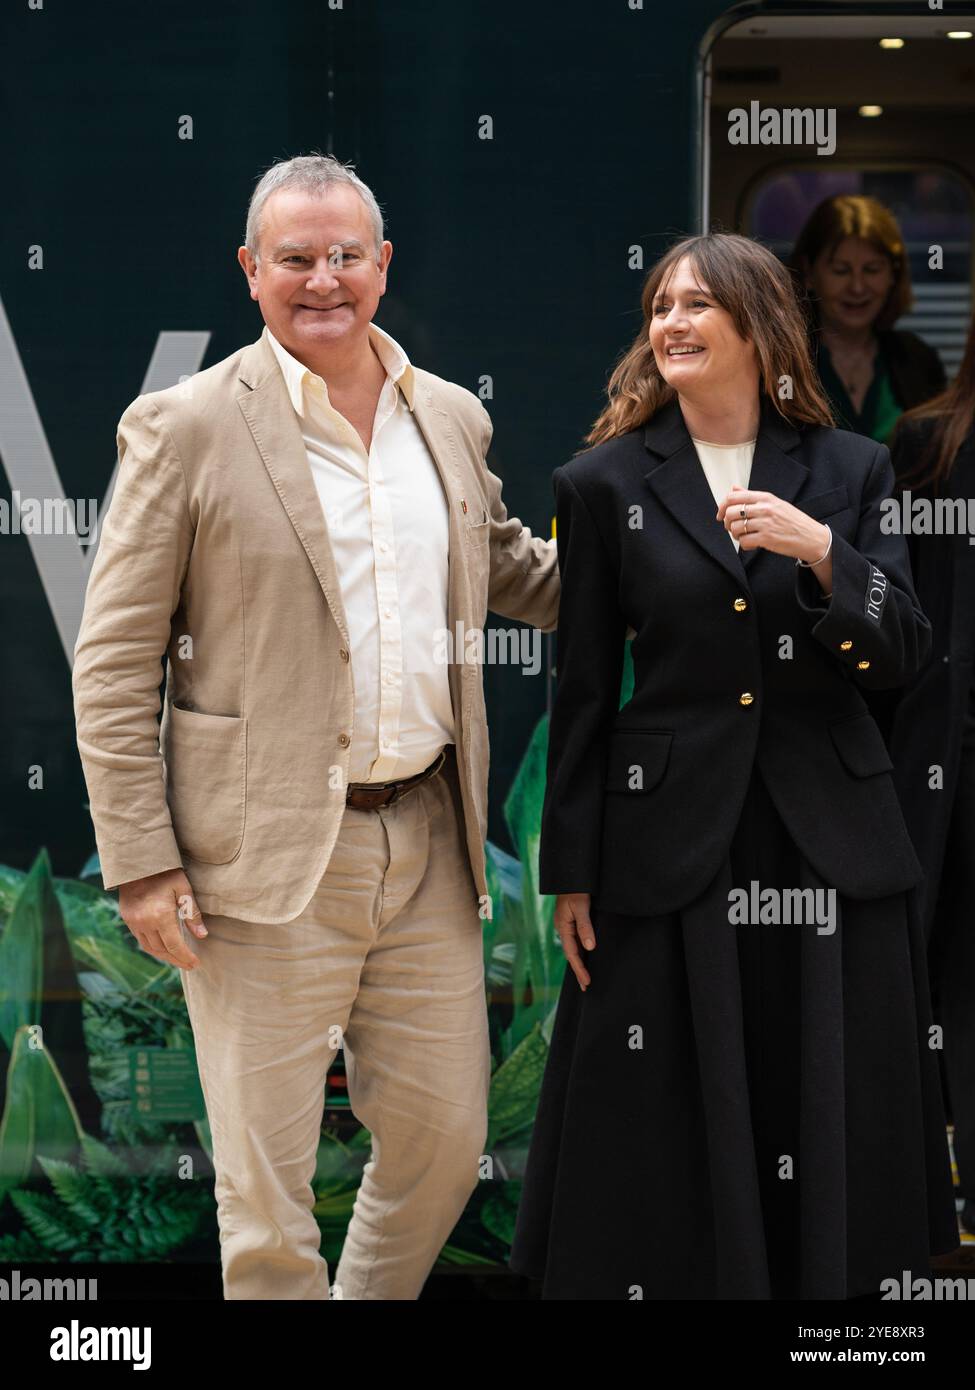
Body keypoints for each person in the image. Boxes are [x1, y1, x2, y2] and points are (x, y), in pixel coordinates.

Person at [72, 153, 560, 1300]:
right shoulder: (183, 425)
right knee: (267, 1190)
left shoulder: (449, 417)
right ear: (252, 272)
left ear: (383, 266)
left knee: (445, 1145)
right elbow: (111, 659)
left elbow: (518, 575)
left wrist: (680, 551)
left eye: (346, 255)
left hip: (428, 848)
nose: (323, 280)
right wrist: (142, 864)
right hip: (262, 856)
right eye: (296, 259)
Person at [507, 231, 958, 1300]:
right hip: (670, 842)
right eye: (660, 304)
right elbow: (578, 693)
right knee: (671, 1101)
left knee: (821, 1095)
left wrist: (821, 553)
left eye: (699, 303)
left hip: (826, 841)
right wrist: (572, 867)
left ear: (759, 327)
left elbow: (904, 655)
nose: (671, 322)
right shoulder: (602, 479)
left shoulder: (852, 468)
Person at [871, 307, 975, 1241]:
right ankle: (924, 1228)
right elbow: (895, 624)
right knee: (941, 997)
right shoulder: (925, 444)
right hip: (943, 774)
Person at [790, 195, 946, 444]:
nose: (858, 287)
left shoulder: (918, 358)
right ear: (809, 273)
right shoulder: (782, 360)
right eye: (841, 271)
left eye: (872, 269)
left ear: (893, 275)